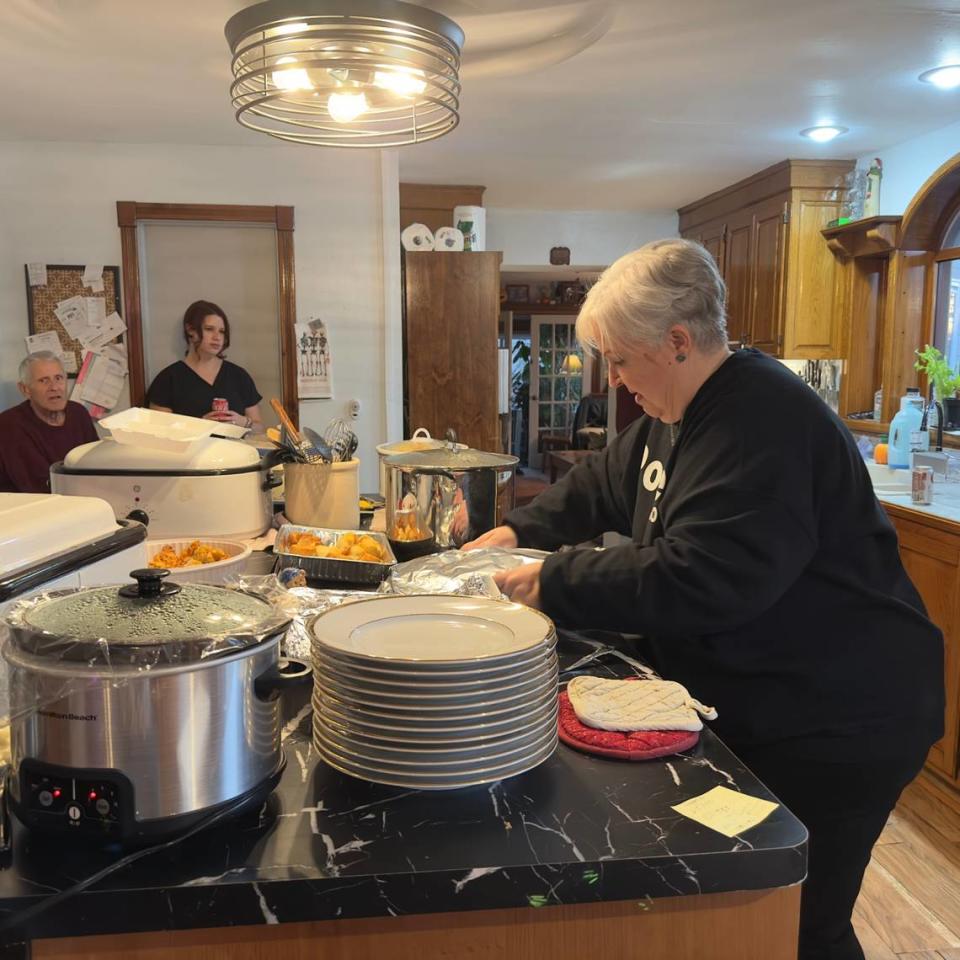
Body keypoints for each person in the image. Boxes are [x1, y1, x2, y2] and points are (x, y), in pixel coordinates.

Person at [465, 239, 944, 960]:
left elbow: (705, 577)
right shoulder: (676, 409)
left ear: (678, 341)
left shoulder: (763, 419)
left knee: (793, 918)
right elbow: (604, 481)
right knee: (726, 910)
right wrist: (517, 528)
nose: (619, 381)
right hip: (769, 696)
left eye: (623, 360)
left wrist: (556, 580)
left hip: (841, 718)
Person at [146, 300, 263, 431]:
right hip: (192, 451)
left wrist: (243, 422)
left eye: (222, 331)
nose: (217, 337)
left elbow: (260, 428)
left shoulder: (239, 375)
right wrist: (200, 425)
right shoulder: (168, 379)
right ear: (190, 330)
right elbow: (158, 431)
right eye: (209, 329)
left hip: (239, 449)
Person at [0, 351, 98, 493]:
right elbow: (37, 487)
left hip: (81, 500)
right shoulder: (9, 425)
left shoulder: (78, 413)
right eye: (44, 380)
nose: (54, 387)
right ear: (25, 389)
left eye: (58, 378)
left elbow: (97, 465)